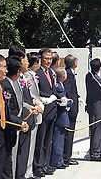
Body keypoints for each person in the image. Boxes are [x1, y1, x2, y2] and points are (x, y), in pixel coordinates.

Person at [33, 48, 59, 177]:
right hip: (42, 110)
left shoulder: (51, 73)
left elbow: (53, 89)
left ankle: (45, 163)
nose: (48, 61)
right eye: (46, 59)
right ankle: (37, 165)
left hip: (52, 111)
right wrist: (46, 99)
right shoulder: (37, 73)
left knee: (48, 140)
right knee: (40, 140)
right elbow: (36, 91)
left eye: (50, 59)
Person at [85, 58, 101, 161]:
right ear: (99, 68)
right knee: (97, 131)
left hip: (93, 107)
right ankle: (95, 153)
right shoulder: (96, 78)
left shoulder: (88, 76)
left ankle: (96, 151)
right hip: (97, 108)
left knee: (96, 131)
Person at [24, 52, 44, 179]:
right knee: (30, 145)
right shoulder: (27, 76)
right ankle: (27, 171)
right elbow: (31, 95)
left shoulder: (33, 75)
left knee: (33, 144)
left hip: (37, 111)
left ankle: (29, 170)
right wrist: (38, 104)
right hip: (31, 112)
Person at [50, 67, 72, 169]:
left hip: (62, 116)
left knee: (61, 140)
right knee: (58, 141)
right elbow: (62, 99)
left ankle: (60, 160)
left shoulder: (59, 84)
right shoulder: (58, 85)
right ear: (64, 76)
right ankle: (57, 161)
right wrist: (69, 101)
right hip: (60, 116)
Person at [63, 54, 80, 166]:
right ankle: (66, 157)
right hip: (70, 109)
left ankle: (67, 156)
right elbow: (67, 89)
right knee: (69, 133)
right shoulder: (68, 74)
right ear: (74, 63)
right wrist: (69, 103)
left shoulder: (70, 72)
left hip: (73, 105)